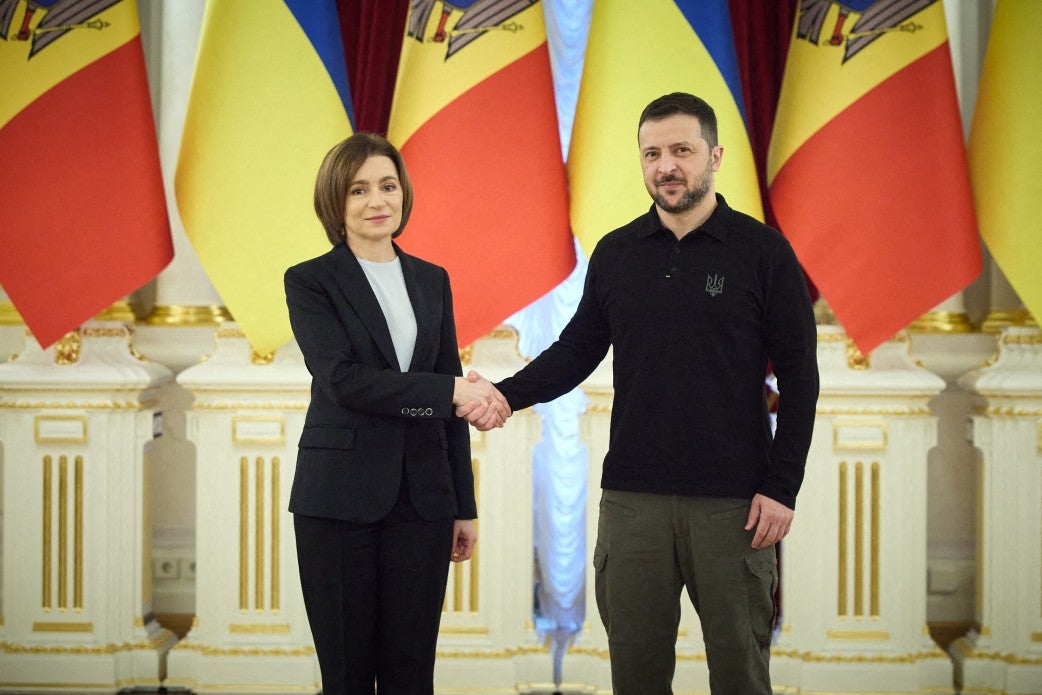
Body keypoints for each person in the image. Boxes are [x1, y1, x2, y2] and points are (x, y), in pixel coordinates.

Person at [459, 93, 819, 694]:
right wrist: (503, 394)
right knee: (637, 674)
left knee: (741, 672)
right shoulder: (617, 253)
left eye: (681, 150)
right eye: (652, 153)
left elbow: (801, 380)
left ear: (715, 156)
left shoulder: (764, 253)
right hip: (631, 502)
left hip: (734, 507)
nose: (666, 166)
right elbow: (576, 351)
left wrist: (781, 487)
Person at [285, 132, 509, 695]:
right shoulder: (310, 281)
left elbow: (449, 399)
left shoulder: (432, 279)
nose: (376, 200)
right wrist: (447, 393)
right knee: (348, 674)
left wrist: (464, 504)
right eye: (358, 190)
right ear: (335, 203)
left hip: (424, 501)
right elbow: (342, 382)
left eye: (387, 185)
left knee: (412, 673)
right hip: (338, 500)